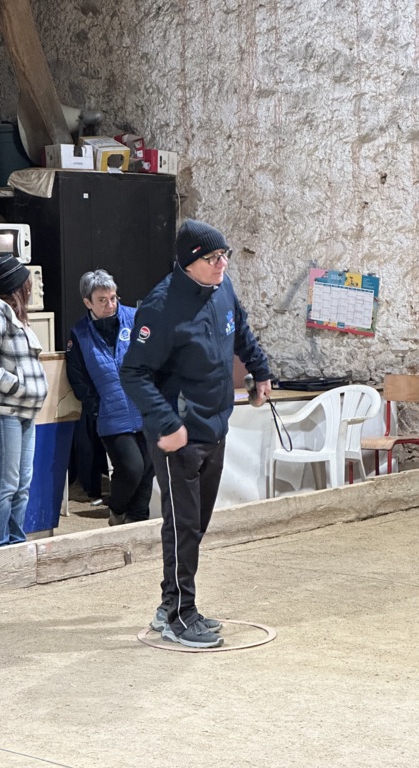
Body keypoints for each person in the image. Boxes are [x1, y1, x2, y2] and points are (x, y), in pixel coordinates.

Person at [120, 219, 273, 648]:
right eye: (213, 258)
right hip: (178, 436)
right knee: (183, 526)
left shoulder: (221, 288)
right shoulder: (160, 307)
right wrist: (168, 424)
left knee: (196, 526)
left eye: (225, 255)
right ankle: (178, 616)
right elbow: (133, 373)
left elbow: (240, 329)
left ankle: (170, 604)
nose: (223, 264)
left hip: (215, 427)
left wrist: (260, 370)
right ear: (189, 262)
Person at [0, 254, 48, 549]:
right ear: (18, 286)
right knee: (7, 484)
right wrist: (16, 385)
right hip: (4, 413)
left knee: (22, 485)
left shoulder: (18, 318)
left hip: (25, 412)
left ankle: (15, 545)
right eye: (28, 281)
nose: (32, 286)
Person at [66, 269, 154, 525]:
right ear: (88, 302)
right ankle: (116, 511)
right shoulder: (80, 333)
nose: (110, 304)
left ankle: (138, 522)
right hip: (111, 414)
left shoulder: (136, 318)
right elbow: (78, 377)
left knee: (148, 470)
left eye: (113, 298)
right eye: (102, 300)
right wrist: (97, 406)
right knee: (132, 468)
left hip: (145, 408)